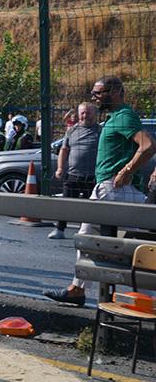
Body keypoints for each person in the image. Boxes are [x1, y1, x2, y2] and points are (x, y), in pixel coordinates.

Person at [44, 76, 155, 305]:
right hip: (108, 188)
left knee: (134, 249)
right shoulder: (115, 118)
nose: (94, 97)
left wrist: (126, 170)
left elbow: (148, 145)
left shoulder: (124, 116)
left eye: (98, 92)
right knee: (87, 239)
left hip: (117, 190)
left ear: (115, 91)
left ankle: (146, 300)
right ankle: (77, 289)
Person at [50, 101, 100, 239]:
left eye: (88, 112)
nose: (85, 115)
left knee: (91, 207)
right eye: (82, 112)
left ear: (94, 114)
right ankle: (59, 229)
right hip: (73, 174)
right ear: (78, 114)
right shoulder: (71, 130)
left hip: (93, 176)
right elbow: (64, 150)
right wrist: (60, 168)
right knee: (66, 203)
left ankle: (88, 232)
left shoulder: (100, 131)